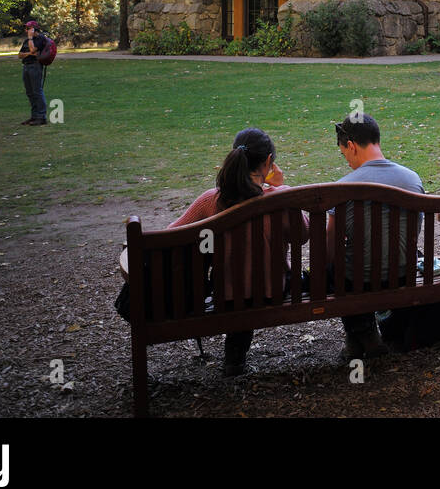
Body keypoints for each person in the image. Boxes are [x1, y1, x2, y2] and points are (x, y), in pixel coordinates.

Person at [169, 128, 303, 376]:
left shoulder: (211, 200)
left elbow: (171, 236)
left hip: (227, 296)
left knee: (239, 285)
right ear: (269, 162)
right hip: (273, 290)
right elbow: (302, 236)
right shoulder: (282, 197)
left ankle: (234, 359)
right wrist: (282, 188)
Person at [329, 113, 425, 360]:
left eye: (344, 155)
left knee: (338, 270)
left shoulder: (342, 189)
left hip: (359, 281)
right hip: (404, 274)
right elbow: (414, 231)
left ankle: (362, 335)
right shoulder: (412, 179)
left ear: (350, 146)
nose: (347, 163)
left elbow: (330, 249)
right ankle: (366, 336)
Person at [17, 20, 51, 125]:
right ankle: (34, 116)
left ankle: (41, 117)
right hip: (26, 66)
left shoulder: (40, 38)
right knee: (30, 92)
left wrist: (31, 39)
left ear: (33, 29)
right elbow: (19, 55)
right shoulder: (27, 40)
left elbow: (33, 49)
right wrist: (30, 53)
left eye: (28, 28)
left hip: (35, 66)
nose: (26, 30)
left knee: (37, 91)